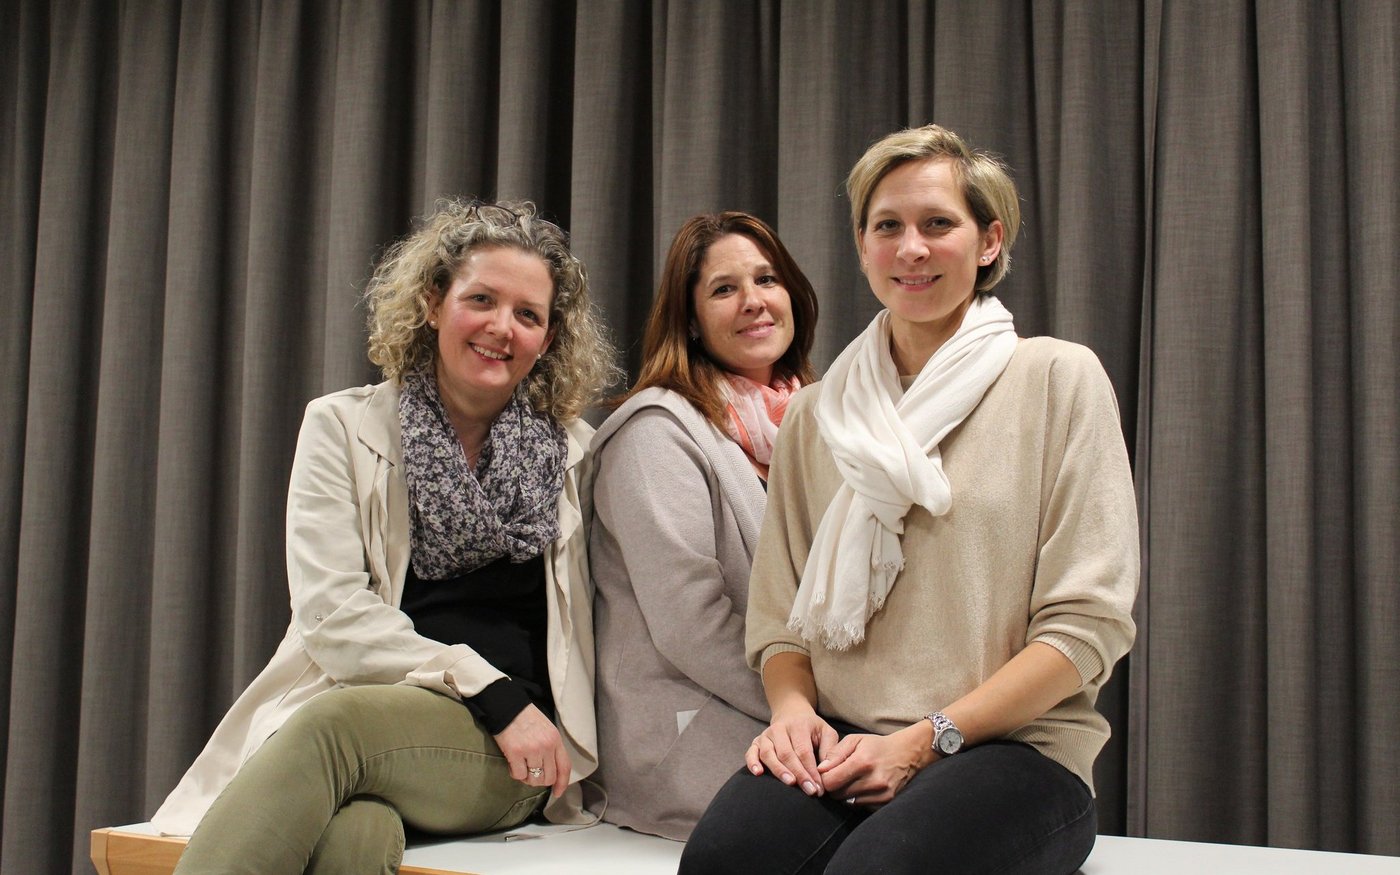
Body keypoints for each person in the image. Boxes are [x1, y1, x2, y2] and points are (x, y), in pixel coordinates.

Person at [680, 125, 1140, 874]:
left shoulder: (1059, 380)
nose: (911, 248)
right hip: (844, 738)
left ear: (989, 241)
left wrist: (926, 740)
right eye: (887, 226)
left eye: (938, 224)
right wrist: (792, 715)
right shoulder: (817, 415)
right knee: (722, 864)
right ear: (862, 245)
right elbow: (780, 624)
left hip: (1017, 751)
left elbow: (1087, 627)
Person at [153, 198, 618, 874]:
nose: (502, 327)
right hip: (390, 715)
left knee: (333, 731)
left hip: (514, 744)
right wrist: (479, 681)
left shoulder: (579, 456)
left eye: (528, 314)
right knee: (356, 834)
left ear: (547, 340)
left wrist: (503, 702)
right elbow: (331, 613)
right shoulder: (341, 427)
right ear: (433, 303)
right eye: (481, 299)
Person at [588, 212, 819, 840]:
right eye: (724, 289)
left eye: (767, 279)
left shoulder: (822, 424)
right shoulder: (655, 434)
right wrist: (815, 709)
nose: (754, 301)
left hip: (793, 709)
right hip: (690, 728)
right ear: (690, 319)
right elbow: (691, 625)